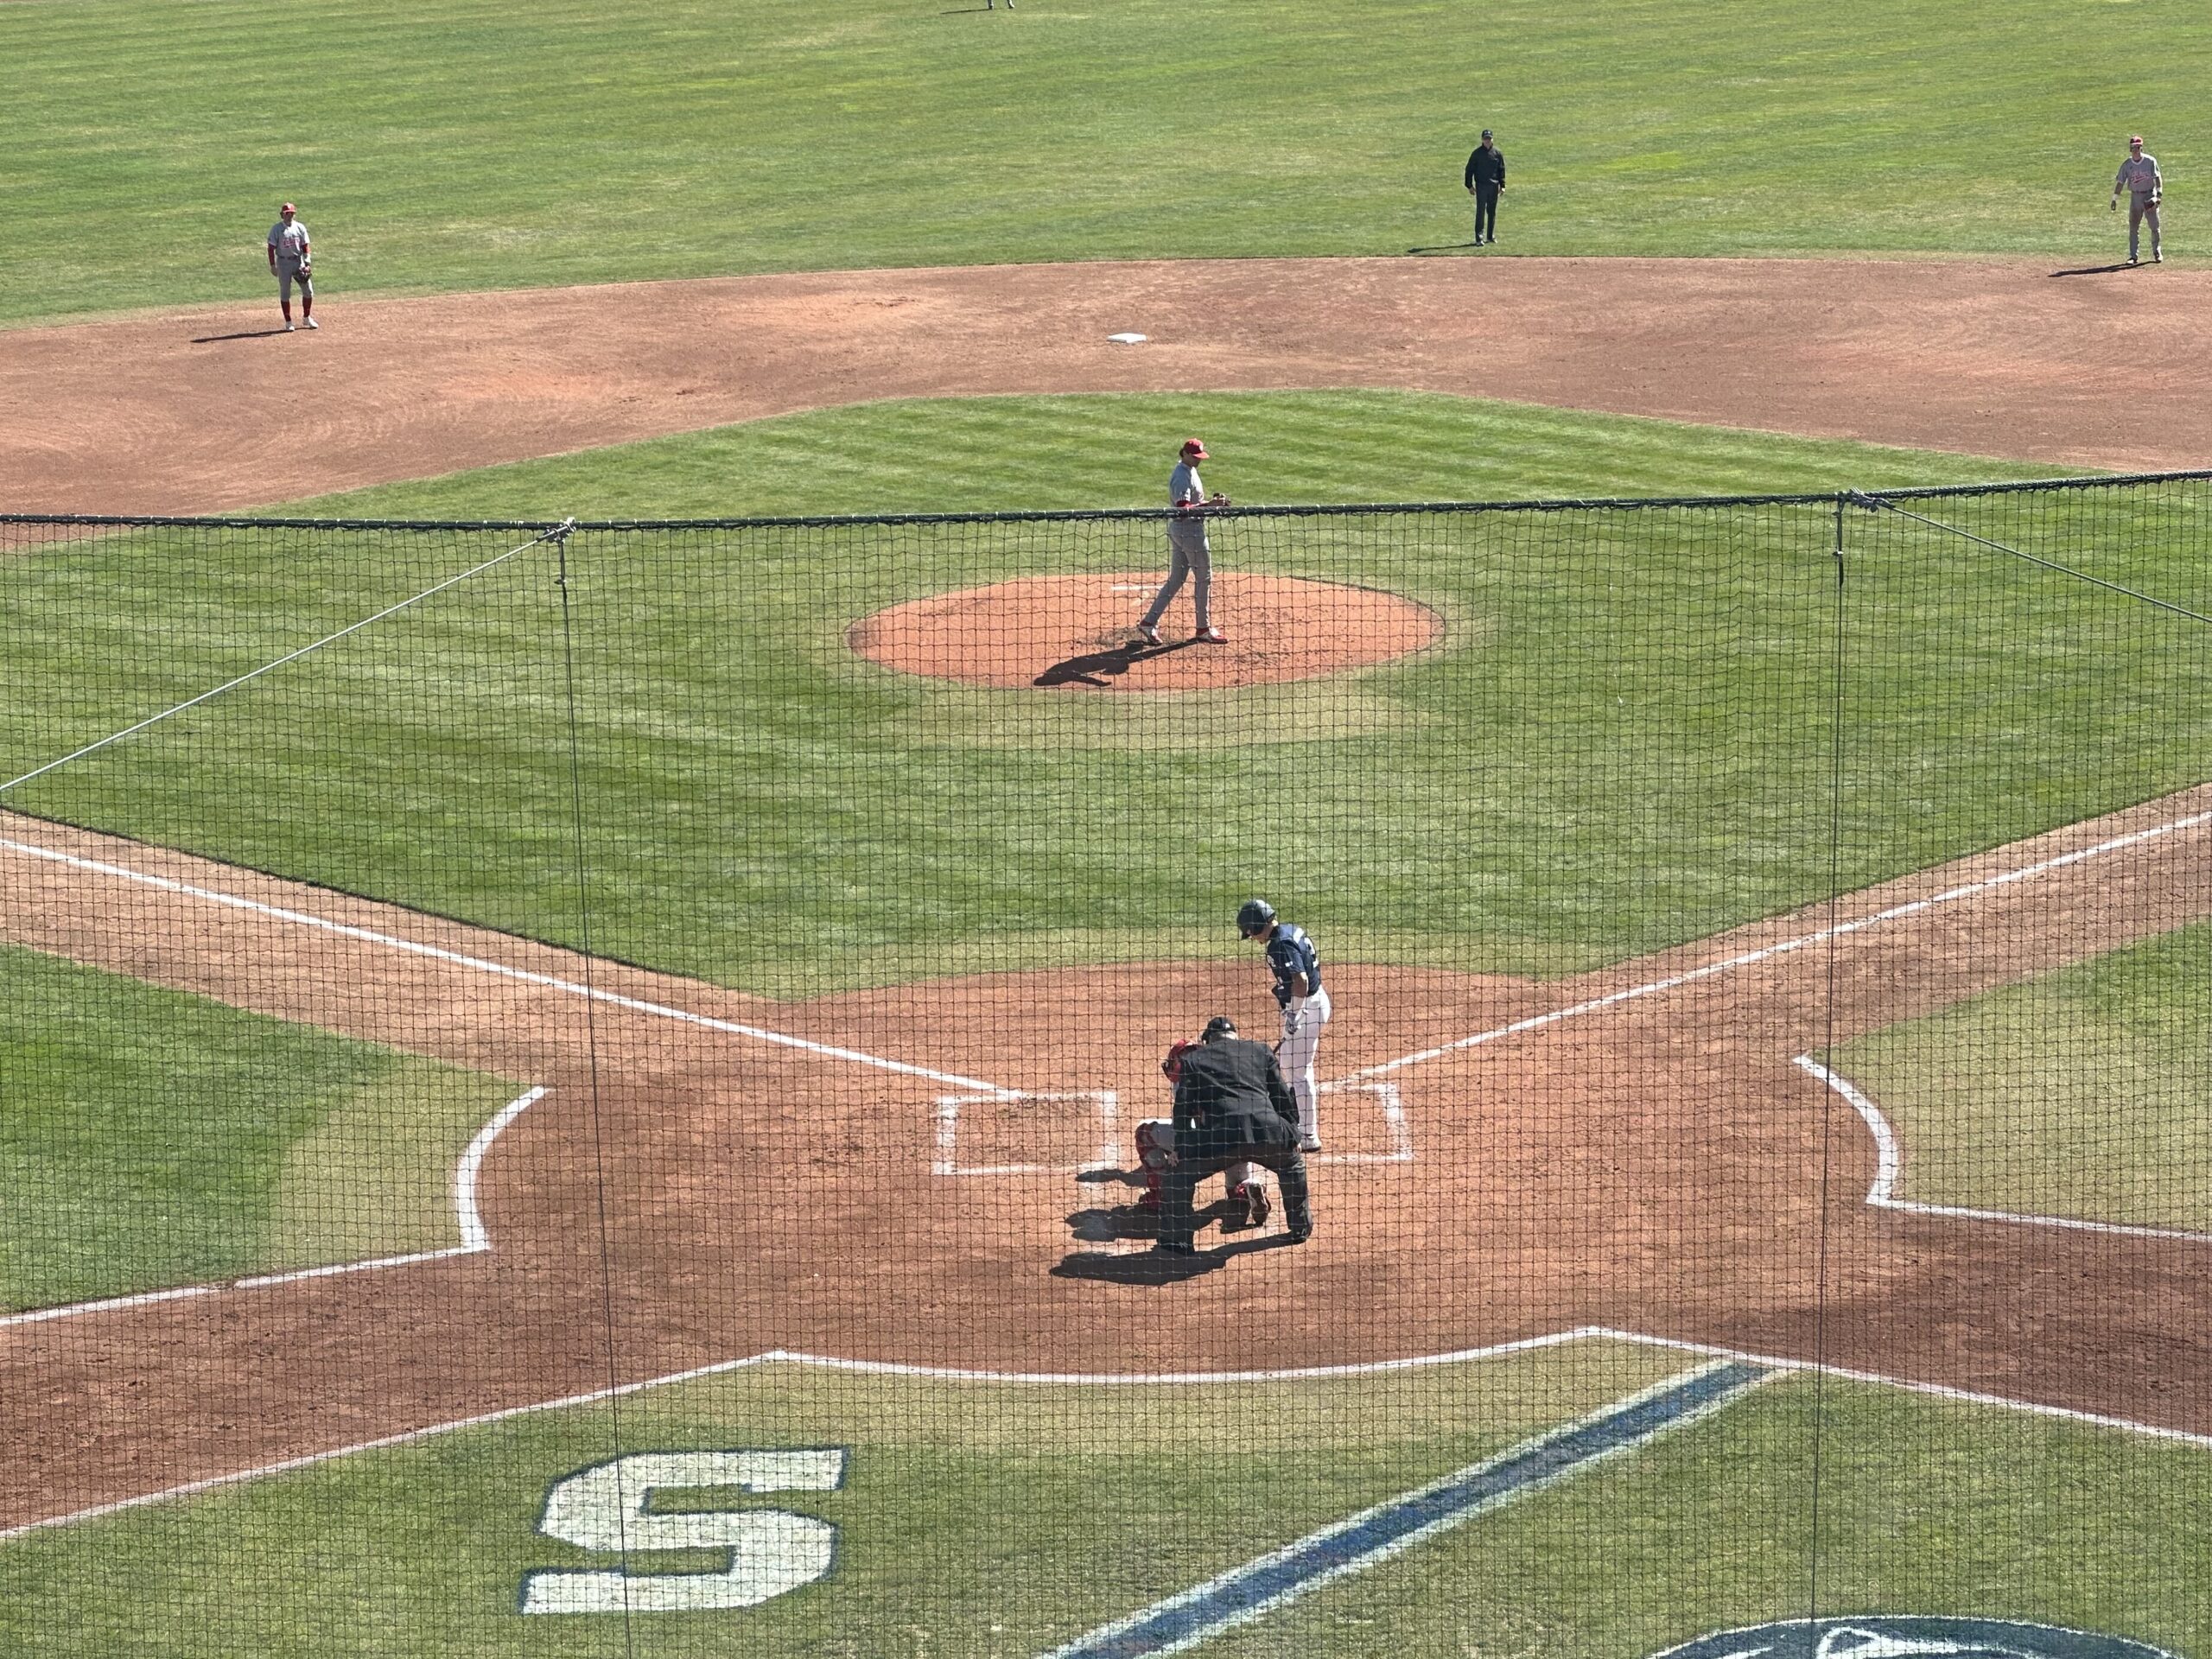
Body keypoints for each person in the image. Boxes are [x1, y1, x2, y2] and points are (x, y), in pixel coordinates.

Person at [1153, 1016, 1313, 1255]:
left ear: (1207, 1041)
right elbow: (1282, 1097)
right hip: (1267, 1133)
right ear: (1235, 1036)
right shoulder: (1260, 1051)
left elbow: (1183, 1109)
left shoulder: (1194, 1060)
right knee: (1292, 1166)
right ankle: (1300, 1228)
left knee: (1178, 1176)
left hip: (1220, 1139)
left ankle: (1178, 1242)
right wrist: (1293, 1135)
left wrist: (1181, 1148)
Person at [1236, 899, 1330, 1152]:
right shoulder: (1290, 930)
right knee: (1292, 1067)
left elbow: (1300, 980)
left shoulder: (1279, 945)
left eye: (1250, 932)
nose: (1252, 938)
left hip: (1306, 1008)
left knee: (1297, 1073)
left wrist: (1295, 1015)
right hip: (1313, 1002)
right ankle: (1296, 1123)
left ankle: (1308, 1136)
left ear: (1255, 927)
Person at [1136, 439, 1230, 646]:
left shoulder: (1190, 469)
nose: (1199, 460)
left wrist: (1211, 505)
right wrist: (1210, 505)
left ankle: (1149, 622)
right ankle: (1203, 628)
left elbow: (1191, 504)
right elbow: (1183, 508)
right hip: (1189, 532)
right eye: (1195, 457)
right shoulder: (1180, 476)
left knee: (1177, 578)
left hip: (1184, 530)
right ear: (1185, 454)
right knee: (1204, 577)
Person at [2111, 136, 2163, 265]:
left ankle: (2157, 252)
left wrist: (2158, 196)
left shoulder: (2150, 161)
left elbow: (2157, 179)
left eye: (2138, 147)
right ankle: (2133, 256)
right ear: (2130, 149)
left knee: (2154, 227)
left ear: (2141, 147)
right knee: (2134, 227)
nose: (2136, 150)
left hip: (2149, 195)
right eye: (2133, 147)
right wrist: (2114, 198)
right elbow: (2120, 182)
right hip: (2135, 197)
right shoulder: (2127, 165)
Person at [267, 203, 316, 331]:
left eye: (291, 213)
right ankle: (288, 322)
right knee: (285, 293)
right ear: (282, 215)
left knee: (308, 291)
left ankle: (307, 317)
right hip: (283, 263)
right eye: (287, 213)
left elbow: (305, 246)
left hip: (298, 261)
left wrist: (307, 263)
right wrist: (273, 265)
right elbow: (271, 248)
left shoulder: (300, 227)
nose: (289, 216)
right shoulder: (276, 229)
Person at [1465, 130, 1505, 246]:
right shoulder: (1477, 154)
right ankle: (1479, 237)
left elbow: (1501, 170)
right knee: (1480, 212)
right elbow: (1469, 170)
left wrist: (1502, 186)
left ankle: (1490, 236)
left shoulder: (1497, 154)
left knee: (1492, 212)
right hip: (1481, 186)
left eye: (1489, 139)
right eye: (1486, 139)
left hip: (1494, 186)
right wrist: (1469, 186)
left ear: (1492, 139)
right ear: (1482, 140)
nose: (1487, 141)